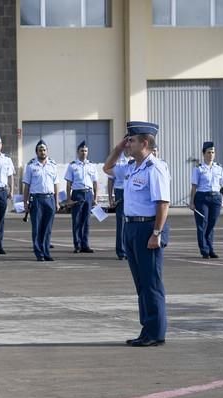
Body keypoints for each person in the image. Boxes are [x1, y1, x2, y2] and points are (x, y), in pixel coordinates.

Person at [103, 121, 170, 347]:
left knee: (151, 283)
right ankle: (147, 329)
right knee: (140, 283)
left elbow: (163, 203)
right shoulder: (132, 167)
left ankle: (156, 332)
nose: (128, 143)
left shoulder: (156, 168)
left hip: (148, 228)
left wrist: (156, 233)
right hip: (131, 227)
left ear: (145, 142)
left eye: (131, 140)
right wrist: (119, 148)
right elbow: (107, 168)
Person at [22, 139, 59, 262]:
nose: (42, 152)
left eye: (44, 150)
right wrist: (25, 202)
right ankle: (39, 253)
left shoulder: (53, 165)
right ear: (36, 152)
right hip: (36, 199)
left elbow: (56, 185)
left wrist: (57, 201)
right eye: (40, 150)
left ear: (47, 151)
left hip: (49, 199)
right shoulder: (31, 166)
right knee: (37, 228)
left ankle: (46, 252)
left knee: (47, 228)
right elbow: (26, 186)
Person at [189, 141, 223, 259]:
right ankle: (204, 250)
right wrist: (192, 201)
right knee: (202, 224)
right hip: (202, 198)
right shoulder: (198, 169)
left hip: (216, 198)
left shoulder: (219, 168)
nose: (211, 155)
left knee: (211, 224)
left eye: (213, 152)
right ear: (203, 154)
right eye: (208, 152)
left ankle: (210, 249)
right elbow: (194, 186)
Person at [64, 140, 98, 253]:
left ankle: (85, 244)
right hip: (77, 193)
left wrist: (95, 198)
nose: (84, 152)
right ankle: (77, 245)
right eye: (82, 150)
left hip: (88, 193)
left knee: (86, 221)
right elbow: (68, 183)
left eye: (86, 150)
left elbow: (95, 183)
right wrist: (68, 198)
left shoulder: (92, 165)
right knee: (77, 220)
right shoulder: (72, 166)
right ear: (78, 152)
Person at [107, 148, 130, 260]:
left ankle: (130, 249)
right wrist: (111, 198)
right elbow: (111, 179)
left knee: (132, 221)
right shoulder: (117, 159)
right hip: (120, 191)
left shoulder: (136, 158)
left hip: (132, 191)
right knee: (121, 221)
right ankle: (121, 251)